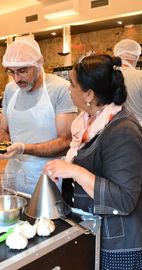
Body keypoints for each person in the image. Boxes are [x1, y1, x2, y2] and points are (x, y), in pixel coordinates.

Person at [44, 53, 142, 270]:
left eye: (72, 84)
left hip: (117, 245)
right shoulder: (88, 123)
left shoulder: (122, 131)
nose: (68, 89)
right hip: (97, 230)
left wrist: (75, 172)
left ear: (88, 94)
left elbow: (125, 199)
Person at [0, 37, 77, 194]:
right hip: (14, 171)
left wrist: (23, 148)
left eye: (23, 71)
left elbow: (66, 141)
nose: (17, 78)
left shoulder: (60, 89)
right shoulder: (11, 89)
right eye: (11, 72)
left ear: (39, 63)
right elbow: (2, 129)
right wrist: (5, 147)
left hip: (48, 174)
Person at [113, 39, 142, 125]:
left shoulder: (107, 75)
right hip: (138, 129)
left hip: (114, 129)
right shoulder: (139, 76)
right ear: (136, 57)